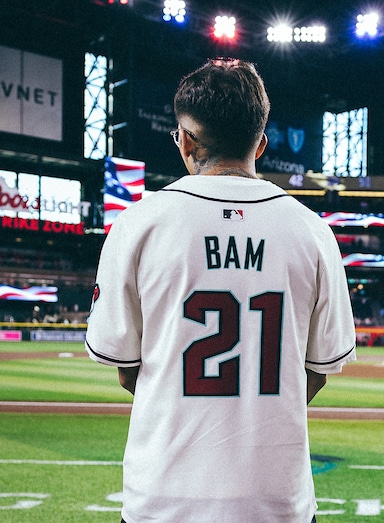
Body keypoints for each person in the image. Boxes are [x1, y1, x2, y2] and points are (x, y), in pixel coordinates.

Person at [85, 58, 356, 522]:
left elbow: (129, 370)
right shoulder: (313, 232)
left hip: (164, 498)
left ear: (186, 140)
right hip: (276, 500)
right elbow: (317, 371)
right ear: (262, 143)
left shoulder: (138, 225)